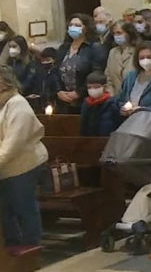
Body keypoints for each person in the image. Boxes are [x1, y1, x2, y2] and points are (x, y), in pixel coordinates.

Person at [0, 65, 48, 254]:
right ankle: (11, 249)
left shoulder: (18, 104)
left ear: (4, 82)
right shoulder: (3, 103)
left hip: (23, 164)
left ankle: (32, 250)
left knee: (24, 208)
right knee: (5, 210)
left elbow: (13, 143)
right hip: (6, 167)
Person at [55, 14, 100, 114]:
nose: (73, 27)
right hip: (64, 101)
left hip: (85, 100)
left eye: (77, 25)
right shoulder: (63, 48)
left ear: (86, 28)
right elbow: (55, 71)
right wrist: (59, 91)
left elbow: (96, 73)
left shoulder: (93, 48)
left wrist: (79, 92)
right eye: (71, 25)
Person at [81, 70, 118, 136]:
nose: (92, 90)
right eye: (89, 87)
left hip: (108, 138)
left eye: (96, 87)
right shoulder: (86, 103)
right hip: (90, 139)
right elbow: (84, 125)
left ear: (104, 87)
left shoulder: (112, 103)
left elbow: (117, 123)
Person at [105, 22, 138, 95]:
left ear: (129, 34)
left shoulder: (138, 51)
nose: (116, 36)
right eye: (114, 33)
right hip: (116, 97)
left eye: (119, 33)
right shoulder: (112, 52)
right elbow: (108, 78)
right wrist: (111, 96)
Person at [3, 37, 39, 103]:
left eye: (14, 46)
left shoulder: (30, 62)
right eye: (10, 46)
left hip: (27, 96)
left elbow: (28, 81)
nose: (11, 49)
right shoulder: (10, 61)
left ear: (22, 47)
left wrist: (15, 92)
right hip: (12, 95)